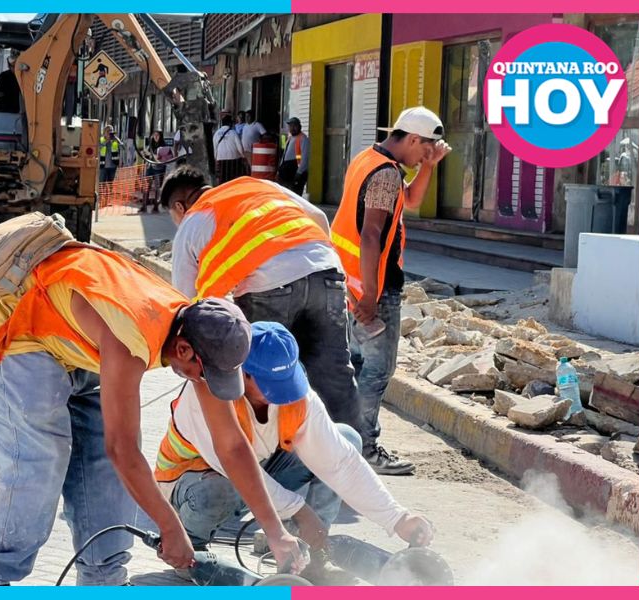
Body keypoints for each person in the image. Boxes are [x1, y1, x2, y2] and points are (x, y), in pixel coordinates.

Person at [0, 245, 305, 585]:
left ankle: (103, 580)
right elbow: (122, 449)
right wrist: (169, 527)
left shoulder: (197, 332)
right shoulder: (132, 340)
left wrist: (276, 532)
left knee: (108, 481)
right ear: (183, 350)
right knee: (42, 465)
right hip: (18, 330)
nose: (204, 383)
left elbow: (231, 445)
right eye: (204, 374)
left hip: (78, 339)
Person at [154, 322, 434, 583]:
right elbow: (235, 468)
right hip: (191, 485)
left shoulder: (295, 395)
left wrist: (397, 518)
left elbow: (341, 463)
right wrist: (299, 510)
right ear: (243, 373)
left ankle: (311, 554)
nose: (282, 394)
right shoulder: (208, 394)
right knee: (220, 490)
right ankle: (190, 548)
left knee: (345, 439)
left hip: (255, 473)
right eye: (270, 386)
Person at [160, 166, 362, 441]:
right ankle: (353, 451)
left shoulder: (192, 221)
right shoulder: (257, 186)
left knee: (261, 372)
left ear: (180, 207)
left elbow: (184, 300)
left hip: (268, 288)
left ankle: (271, 453)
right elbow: (318, 217)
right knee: (334, 371)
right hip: (325, 271)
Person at [331, 106, 451, 475]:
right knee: (376, 371)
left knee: (353, 367)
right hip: (373, 289)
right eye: (423, 152)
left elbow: (410, 201)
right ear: (413, 139)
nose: (421, 159)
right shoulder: (385, 175)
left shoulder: (371, 159)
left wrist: (429, 167)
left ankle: (339, 444)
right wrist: (370, 295)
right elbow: (370, 235)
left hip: (348, 281)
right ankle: (364, 448)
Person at [212, 114, 248, 185]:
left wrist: (216, 158)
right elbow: (240, 147)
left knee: (222, 179)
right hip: (234, 160)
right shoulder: (233, 133)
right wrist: (243, 156)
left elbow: (215, 147)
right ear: (230, 123)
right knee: (233, 179)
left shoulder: (216, 134)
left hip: (221, 159)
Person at [278, 117, 309, 196]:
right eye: (290, 126)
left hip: (295, 171)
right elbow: (284, 154)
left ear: (299, 126)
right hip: (286, 170)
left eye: (294, 126)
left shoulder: (303, 138)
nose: (292, 128)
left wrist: (299, 172)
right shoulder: (290, 138)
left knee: (295, 194)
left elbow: (305, 158)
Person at [142, 130, 167, 213]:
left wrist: (151, 154)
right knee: (146, 186)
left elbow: (160, 157)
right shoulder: (150, 145)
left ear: (160, 136)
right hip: (150, 167)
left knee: (157, 187)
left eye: (157, 135)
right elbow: (145, 153)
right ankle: (144, 206)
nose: (155, 137)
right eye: (154, 135)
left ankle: (156, 206)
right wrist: (146, 153)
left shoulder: (164, 146)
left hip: (159, 169)